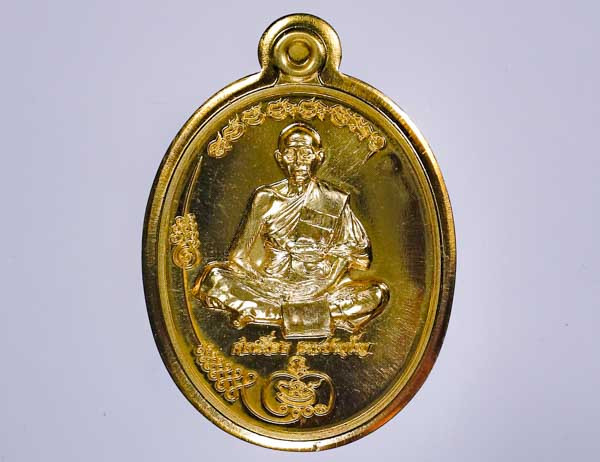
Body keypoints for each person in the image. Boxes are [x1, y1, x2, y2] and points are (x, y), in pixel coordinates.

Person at [192, 123, 389, 338]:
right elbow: (238, 257)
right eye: (291, 154)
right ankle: (317, 316)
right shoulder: (266, 198)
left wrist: (325, 266)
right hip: (272, 287)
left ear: (319, 157)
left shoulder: (333, 199)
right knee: (215, 279)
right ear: (279, 157)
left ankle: (267, 314)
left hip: (322, 287)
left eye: (306, 154)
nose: (298, 162)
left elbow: (360, 255)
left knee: (376, 294)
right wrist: (265, 283)